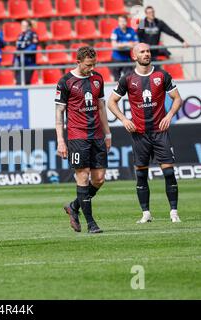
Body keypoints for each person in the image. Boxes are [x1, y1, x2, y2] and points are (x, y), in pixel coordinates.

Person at [108, 43, 183, 223]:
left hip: (160, 132)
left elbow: (177, 98)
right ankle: (146, 214)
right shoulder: (127, 79)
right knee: (141, 175)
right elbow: (111, 102)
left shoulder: (162, 75)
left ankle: (173, 212)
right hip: (139, 134)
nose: (146, 54)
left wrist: (170, 115)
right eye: (142, 51)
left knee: (169, 173)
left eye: (148, 51)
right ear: (135, 56)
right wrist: (125, 120)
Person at [55, 46, 111, 234]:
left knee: (99, 179)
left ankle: (73, 206)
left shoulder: (98, 78)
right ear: (78, 62)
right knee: (83, 176)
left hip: (97, 135)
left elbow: (102, 107)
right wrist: (61, 141)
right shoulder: (65, 82)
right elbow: (59, 113)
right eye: (88, 65)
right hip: (77, 136)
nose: (92, 68)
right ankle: (91, 223)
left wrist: (108, 134)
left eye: (94, 64)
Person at [110, 15, 138, 81]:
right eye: (121, 21)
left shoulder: (131, 30)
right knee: (117, 81)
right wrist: (127, 44)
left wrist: (120, 44)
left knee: (129, 79)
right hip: (116, 58)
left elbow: (136, 44)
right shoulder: (115, 31)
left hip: (127, 58)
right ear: (118, 22)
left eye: (124, 21)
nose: (122, 23)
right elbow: (114, 45)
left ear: (127, 22)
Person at [14, 19, 38, 85]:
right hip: (19, 63)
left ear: (29, 26)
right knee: (18, 83)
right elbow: (18, 48)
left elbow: (33, 47)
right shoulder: (20, 35)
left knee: (25, 82)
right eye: (22, 25)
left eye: (25, 25)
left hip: (28, 63)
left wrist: (22, 53)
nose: (23, 27)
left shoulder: (33, 35)